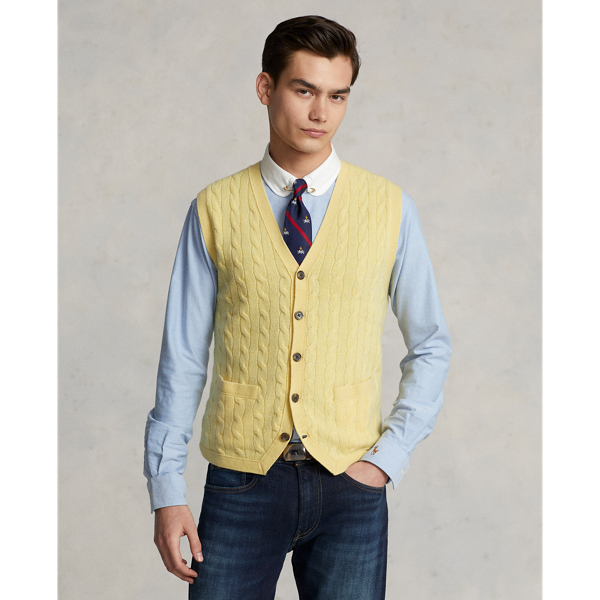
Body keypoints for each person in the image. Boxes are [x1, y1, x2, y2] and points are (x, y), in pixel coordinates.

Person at [143, 15, 451, 600]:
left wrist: (388, 457)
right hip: (241, 481)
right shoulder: (215, 208)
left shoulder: (389, 207)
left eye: (338, 96)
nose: (321, 113)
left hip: (351, 484)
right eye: (304, 90)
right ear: (266, 88)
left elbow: (431, 343)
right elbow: (183, 357)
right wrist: (166, 488)